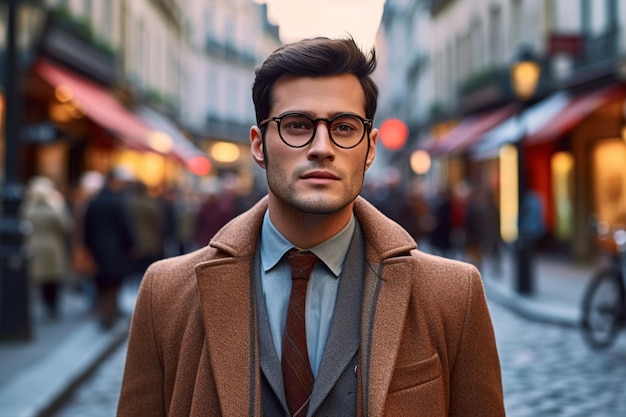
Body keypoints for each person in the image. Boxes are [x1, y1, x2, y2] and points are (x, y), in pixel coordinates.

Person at [118, 37, 504, 416]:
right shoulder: (166, 293)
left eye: (345, 127)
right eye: (298, 125)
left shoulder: (453, 295)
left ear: (370, 148)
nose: (322, 146)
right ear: (258, 145)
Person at [83, 167, 136, 329]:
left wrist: (88, 247)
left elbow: (87, 228)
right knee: (113, 284)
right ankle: (109, 314)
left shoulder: (94, 201)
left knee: (101, 283)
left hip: (97, 249)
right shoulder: (118, 202)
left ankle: (104, 313)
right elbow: (126, 228)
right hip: (116, 250)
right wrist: (132, 245)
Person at [21, 176, 73, 320]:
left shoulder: (27, 207)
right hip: (52, 246)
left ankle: (41, 306)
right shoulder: (55, 206)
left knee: (36, 278)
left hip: (33, 245)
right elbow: (65, 225)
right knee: (52, 279)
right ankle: (51, 306)